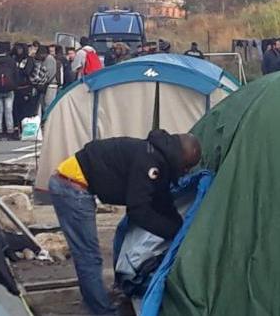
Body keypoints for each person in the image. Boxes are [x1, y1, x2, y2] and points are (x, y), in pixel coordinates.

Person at [48, 130, 201, 315]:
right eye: (187, 166)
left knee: (88, 255)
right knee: (88, 256)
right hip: (71, 186)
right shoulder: (150, 162)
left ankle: (97, 299)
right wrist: (172, 233)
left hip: (75, 182)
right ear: (180, 156)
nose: (186, 172)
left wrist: (181, 228)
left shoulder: (157, 156)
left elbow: (161, 200)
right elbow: (138, 210)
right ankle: (102, 311)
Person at [0, 41, 18, 141]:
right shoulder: (11, 61)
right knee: (9, 110)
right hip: (9, 88)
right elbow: (15, 75)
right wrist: (14, 86)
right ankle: (10, 131)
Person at [12, 42, 39, 137]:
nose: (19, 51)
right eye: (17, 49)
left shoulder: (29, 60)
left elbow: (27, 71)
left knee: (25, 110)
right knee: (15, 109)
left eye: (21, 49)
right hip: (15, 88)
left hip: (26, 87)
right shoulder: (13, 59)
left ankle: (25, 128)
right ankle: (16, 127)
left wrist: (19, 70)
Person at [32, 45, 57, 115]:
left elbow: (48, 74)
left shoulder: (49, 59)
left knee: (48, 105)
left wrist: (41, 82)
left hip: (50, 85)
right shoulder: (45, 59)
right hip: (46, 85)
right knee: (43, 105)